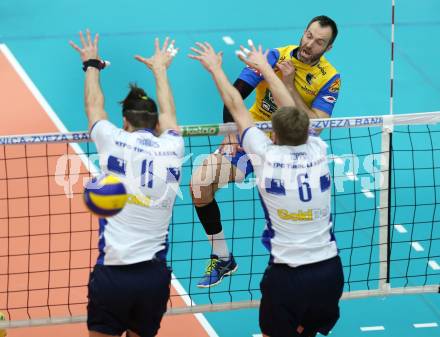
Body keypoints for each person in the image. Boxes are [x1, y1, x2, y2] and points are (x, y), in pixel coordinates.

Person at [189, 41, 344, 336]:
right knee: (199, 184)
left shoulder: (267, 153)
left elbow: (234, 102)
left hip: (288, 272)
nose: (310, 42)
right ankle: (222, 258)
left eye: (319, 40)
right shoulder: (318, 148)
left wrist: (215, 68)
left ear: (329, 46)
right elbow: (244, 101)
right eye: (308, 35)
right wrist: (232, 132)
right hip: (327, 270)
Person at [70, 31, 183, 337]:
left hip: (114, 277)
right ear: (157, 124)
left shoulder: (113, 140)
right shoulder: (173, 147)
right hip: (154, 278)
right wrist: (160, 69)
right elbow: (170, 112)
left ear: (124, 123)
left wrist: (91, 63)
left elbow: (93, 107)